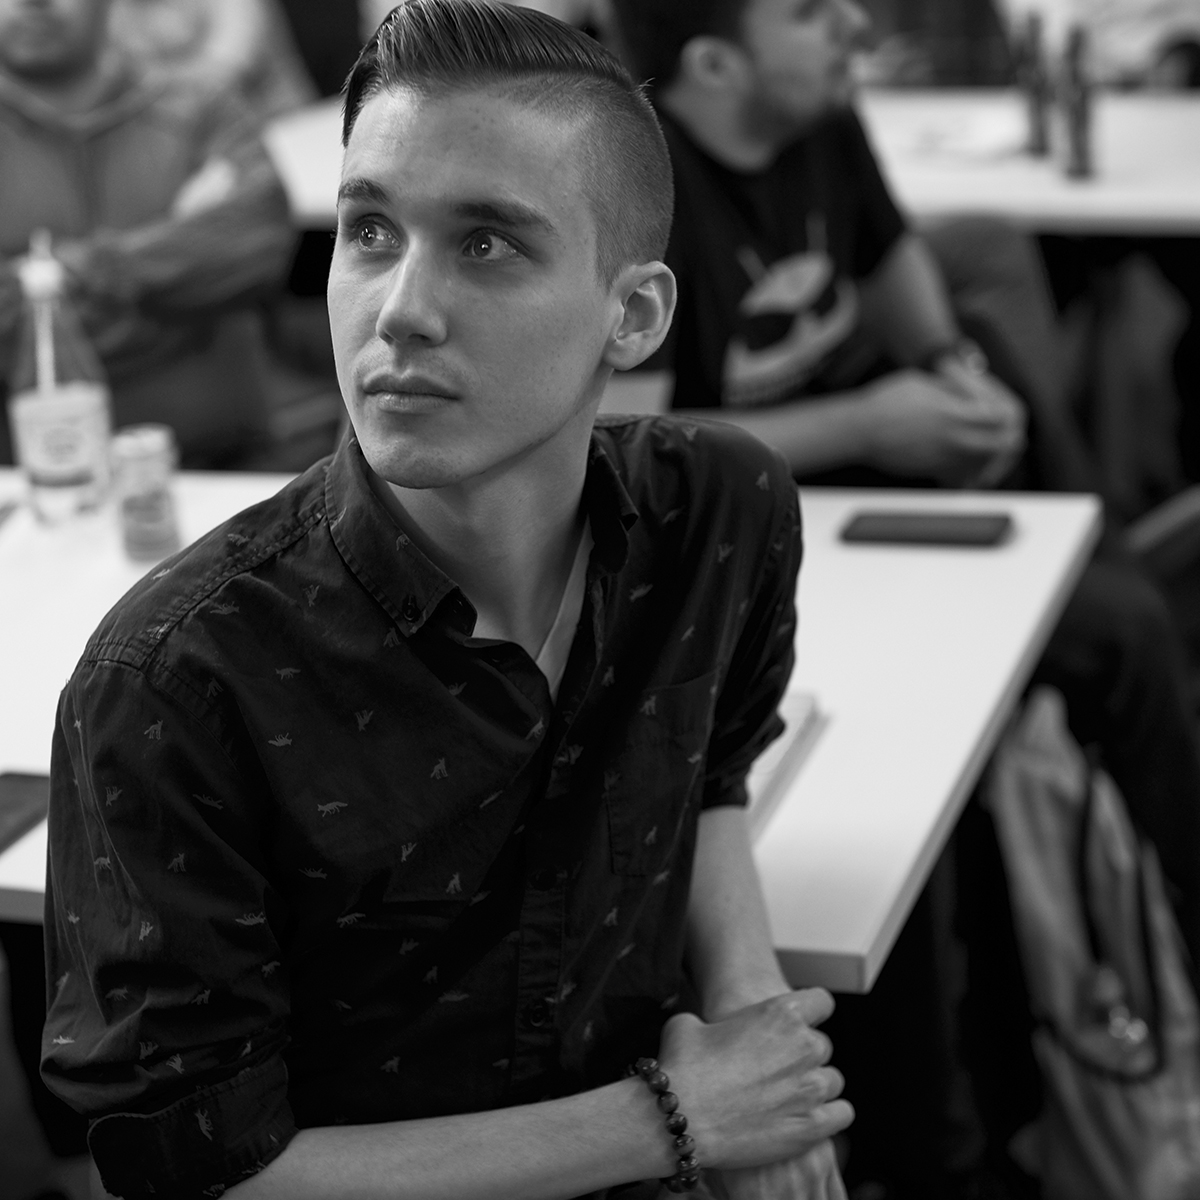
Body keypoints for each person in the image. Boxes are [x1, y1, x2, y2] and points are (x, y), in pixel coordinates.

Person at [42, 3, 854, 1198]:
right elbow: (196, 1173)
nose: (398, 309)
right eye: (369, 230)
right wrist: (679, 1119)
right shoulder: (177, 680)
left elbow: (712, 769)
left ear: (634, 315)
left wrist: (750, 1021)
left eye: (486, 244)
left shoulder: (720, 512)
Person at [608, 0, 1200, 1193]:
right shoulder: (640, 189)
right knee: (932, 792)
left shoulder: (821, 121)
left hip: (882, 516)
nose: (850, 25)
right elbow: (629, 446)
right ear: (714, 63)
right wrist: (873, 421)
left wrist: (953, 380)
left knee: (1114, 631)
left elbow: (902, 289)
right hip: (752, 551)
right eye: (808, 12)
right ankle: (957, 1136)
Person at [0, 0, 296, 468]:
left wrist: (65, 281)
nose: (33, 3)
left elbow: (261, 242)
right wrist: (174, 279)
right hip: (35, 480)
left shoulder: (200, 106)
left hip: (225, 465)